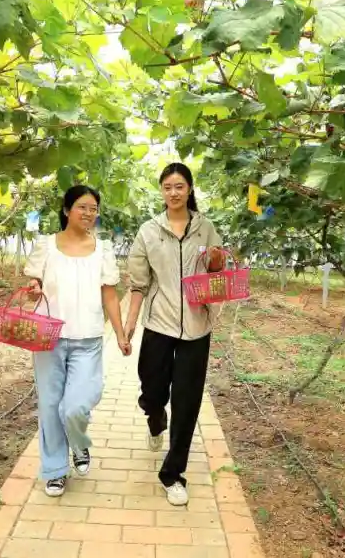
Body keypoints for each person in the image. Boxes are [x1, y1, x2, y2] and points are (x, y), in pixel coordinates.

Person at [124, 163, 224, 506]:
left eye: (180, 186)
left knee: (187, 401)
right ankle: (155, 417)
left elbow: (217, 272)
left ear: (190, 188)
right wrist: (129, 325)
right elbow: (138, 283)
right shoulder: (149, 231)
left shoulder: (205, 228)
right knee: (152, 391)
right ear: (161, 191)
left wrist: (214, 260)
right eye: (167, 187)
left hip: (197, 327)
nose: (174, 192)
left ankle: (173, 473)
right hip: (159, 325)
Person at [24, 185, 129, 497]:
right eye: (83, 207)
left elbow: (110, 294)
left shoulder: (103, 249)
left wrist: (121, 334)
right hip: (48, 338)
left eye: (94, 208)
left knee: (76, 407)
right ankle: (55, 470)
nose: (89, 213)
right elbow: (35, 283)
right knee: (50, 405)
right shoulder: (46, 245)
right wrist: (33, 288)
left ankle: (79, 444)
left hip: (88, 339)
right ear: (67, 209)